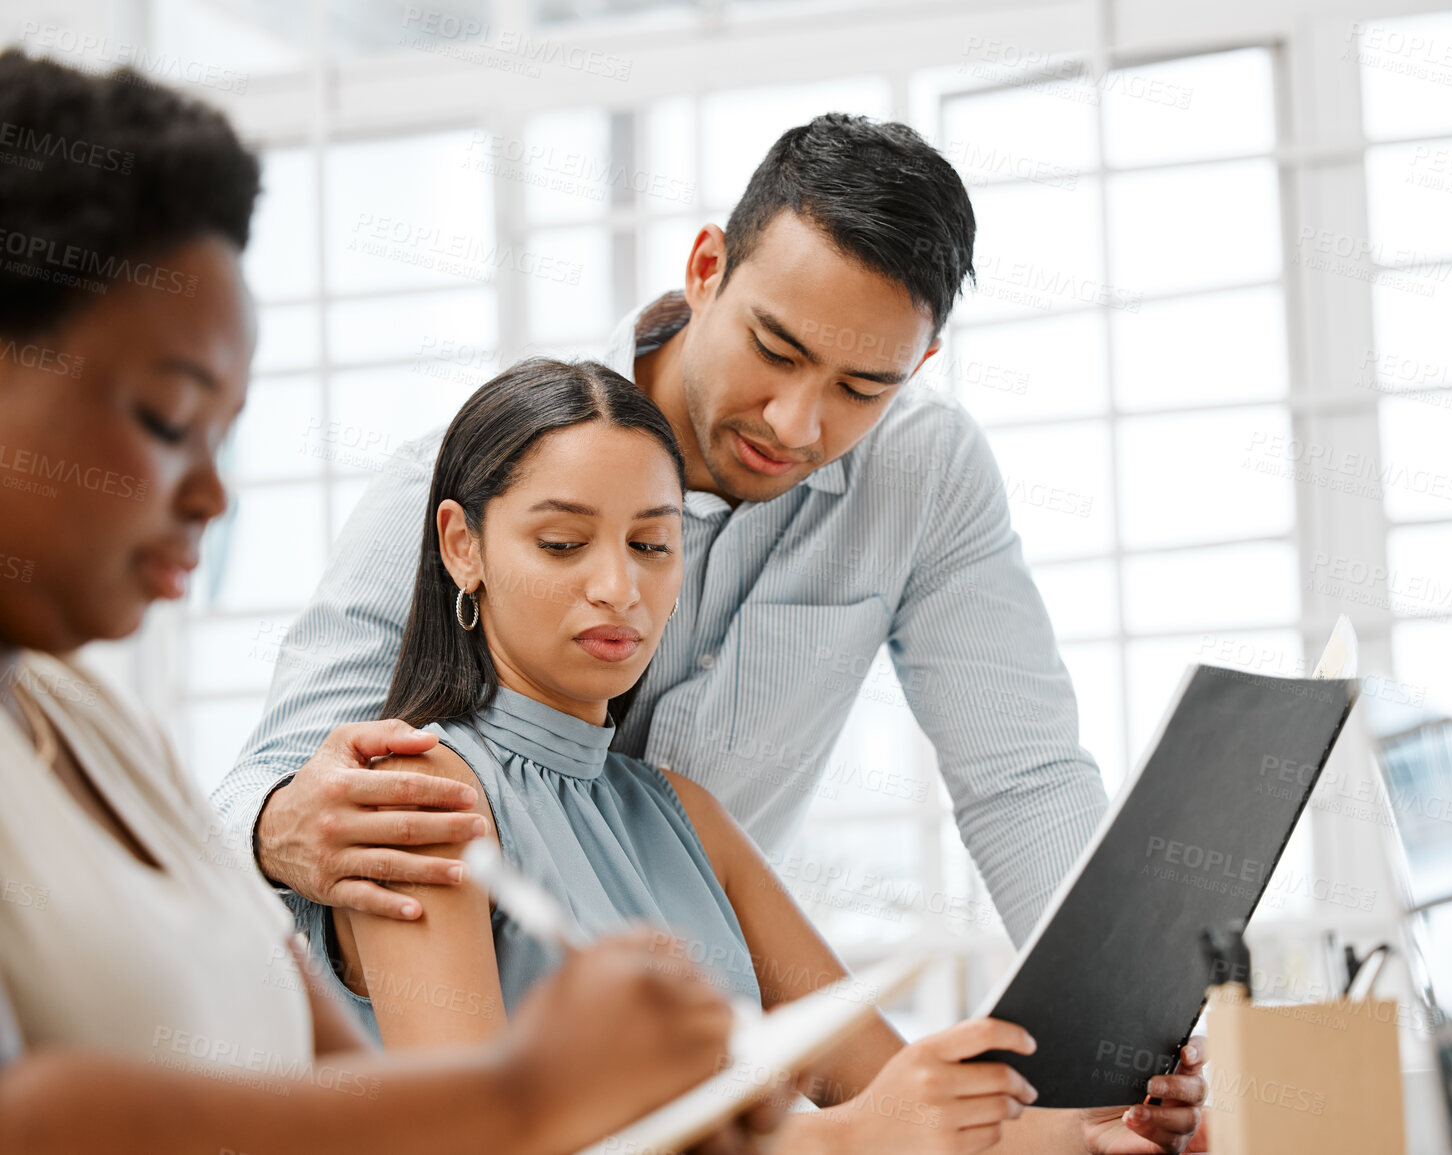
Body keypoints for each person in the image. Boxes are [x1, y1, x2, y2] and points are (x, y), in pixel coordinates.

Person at [0, 48, 776, 1155]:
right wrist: (531, 1090)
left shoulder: (102, 732)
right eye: (170, 422)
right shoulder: (431, 792)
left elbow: (357, 1099)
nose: (214, 494)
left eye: (226, 434)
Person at [211, 113, 1109, 952]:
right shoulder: (453, 480)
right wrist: (278, 824)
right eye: (776, 350)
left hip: (710, 1024)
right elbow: (268, 788)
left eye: (862, 388)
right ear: (706, 267)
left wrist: (1121, 1033)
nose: (796, 424)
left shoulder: (924, 474)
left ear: (919, 366)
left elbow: (1022, 778)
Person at [296, 355, 1207, 1154]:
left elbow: (884, 1086)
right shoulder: (415, 801)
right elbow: (469, 1141)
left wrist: (1093, 1127)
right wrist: (834, 1141)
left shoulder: (678, 811)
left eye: (652, 543)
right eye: (563, 543)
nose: (619, 588)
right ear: (463, 545)